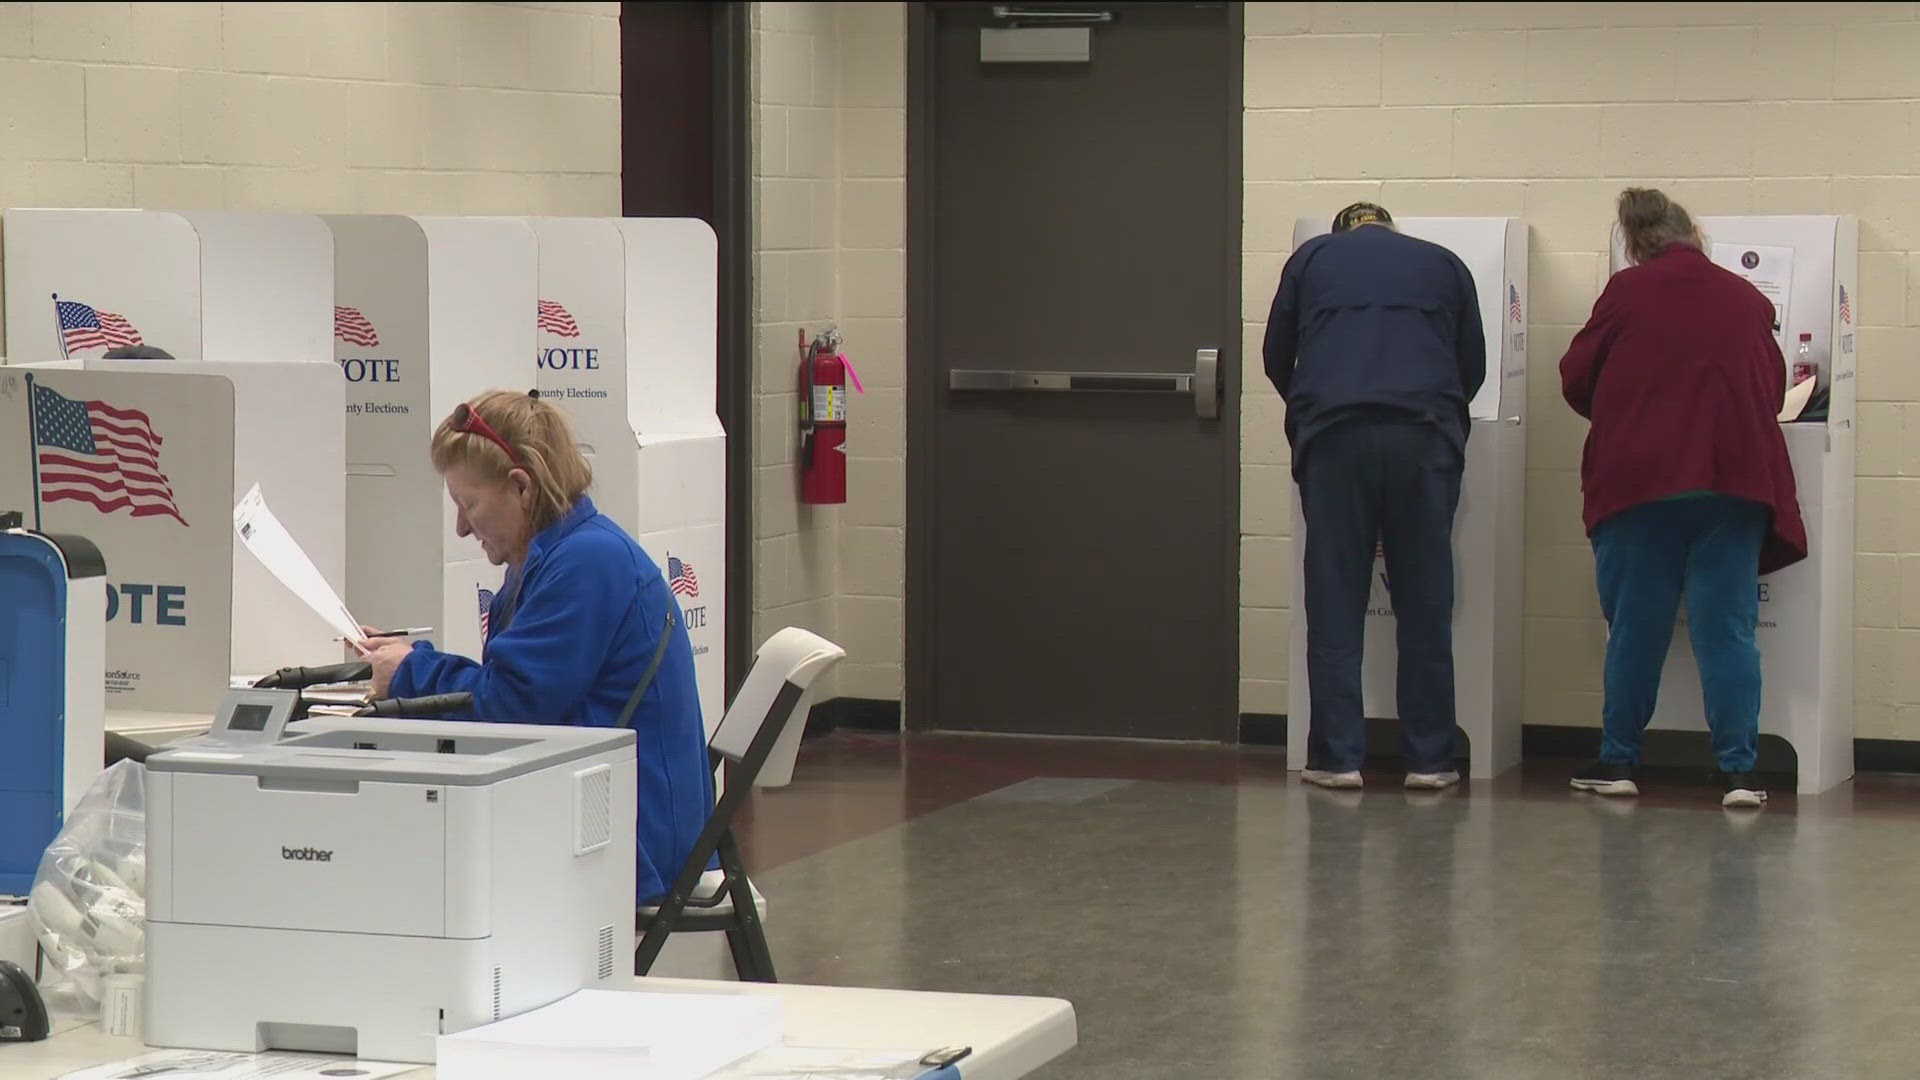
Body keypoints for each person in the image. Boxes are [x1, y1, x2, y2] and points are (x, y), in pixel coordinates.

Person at [356, 388, 713, 900]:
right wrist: (410, 663)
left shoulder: (585, 562)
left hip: (633, 838)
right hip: (611, 808)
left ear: (521, 489)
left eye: (468, 504)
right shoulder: (561, 554)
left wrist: (410, 672)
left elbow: (512, 708)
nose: (460, 527)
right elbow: (517, 692)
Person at [1560, 188, 1807, 809]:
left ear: (1634, 242)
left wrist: (1630, 414)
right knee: (1727, 631)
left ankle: (1617, 763)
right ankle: (1741, 775)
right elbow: (1771, 385)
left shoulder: (1625, 293)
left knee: (1636, 630)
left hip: (1642, 483)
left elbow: (1576, 377)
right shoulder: (1748, 298)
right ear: (1694, 233)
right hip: (1732, 484)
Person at [1263, 202, 1485, 790]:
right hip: (1424, 439)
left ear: (1343, 232)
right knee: (1425, 599)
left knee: (1335, 598)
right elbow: (1473, 365)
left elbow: (1275, 356)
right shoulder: (1444, 263)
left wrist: (1314, 406)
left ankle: (1337, 759)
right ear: (1391, 228)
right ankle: (1430, 759)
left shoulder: (1310, 259)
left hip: (1336, 439)